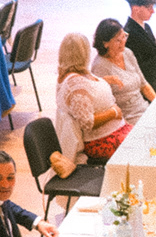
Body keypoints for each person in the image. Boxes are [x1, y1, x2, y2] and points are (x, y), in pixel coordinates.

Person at [51, 32, 129, 171]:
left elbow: (85, 94)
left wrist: (104, 80)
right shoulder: (75, 84)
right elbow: (88, 122)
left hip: (110, 135)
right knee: (144, 146)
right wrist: (113, 112)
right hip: (101, 142)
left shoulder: (73, 76)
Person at [92, 17, 153, 124]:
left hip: (144, 108)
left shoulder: (127, 53)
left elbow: (144, 85)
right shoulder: (99, 67)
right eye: (118, 40)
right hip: (127, 118)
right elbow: (104, 106)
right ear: (105, 43)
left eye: (124, 37)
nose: (123, 43)